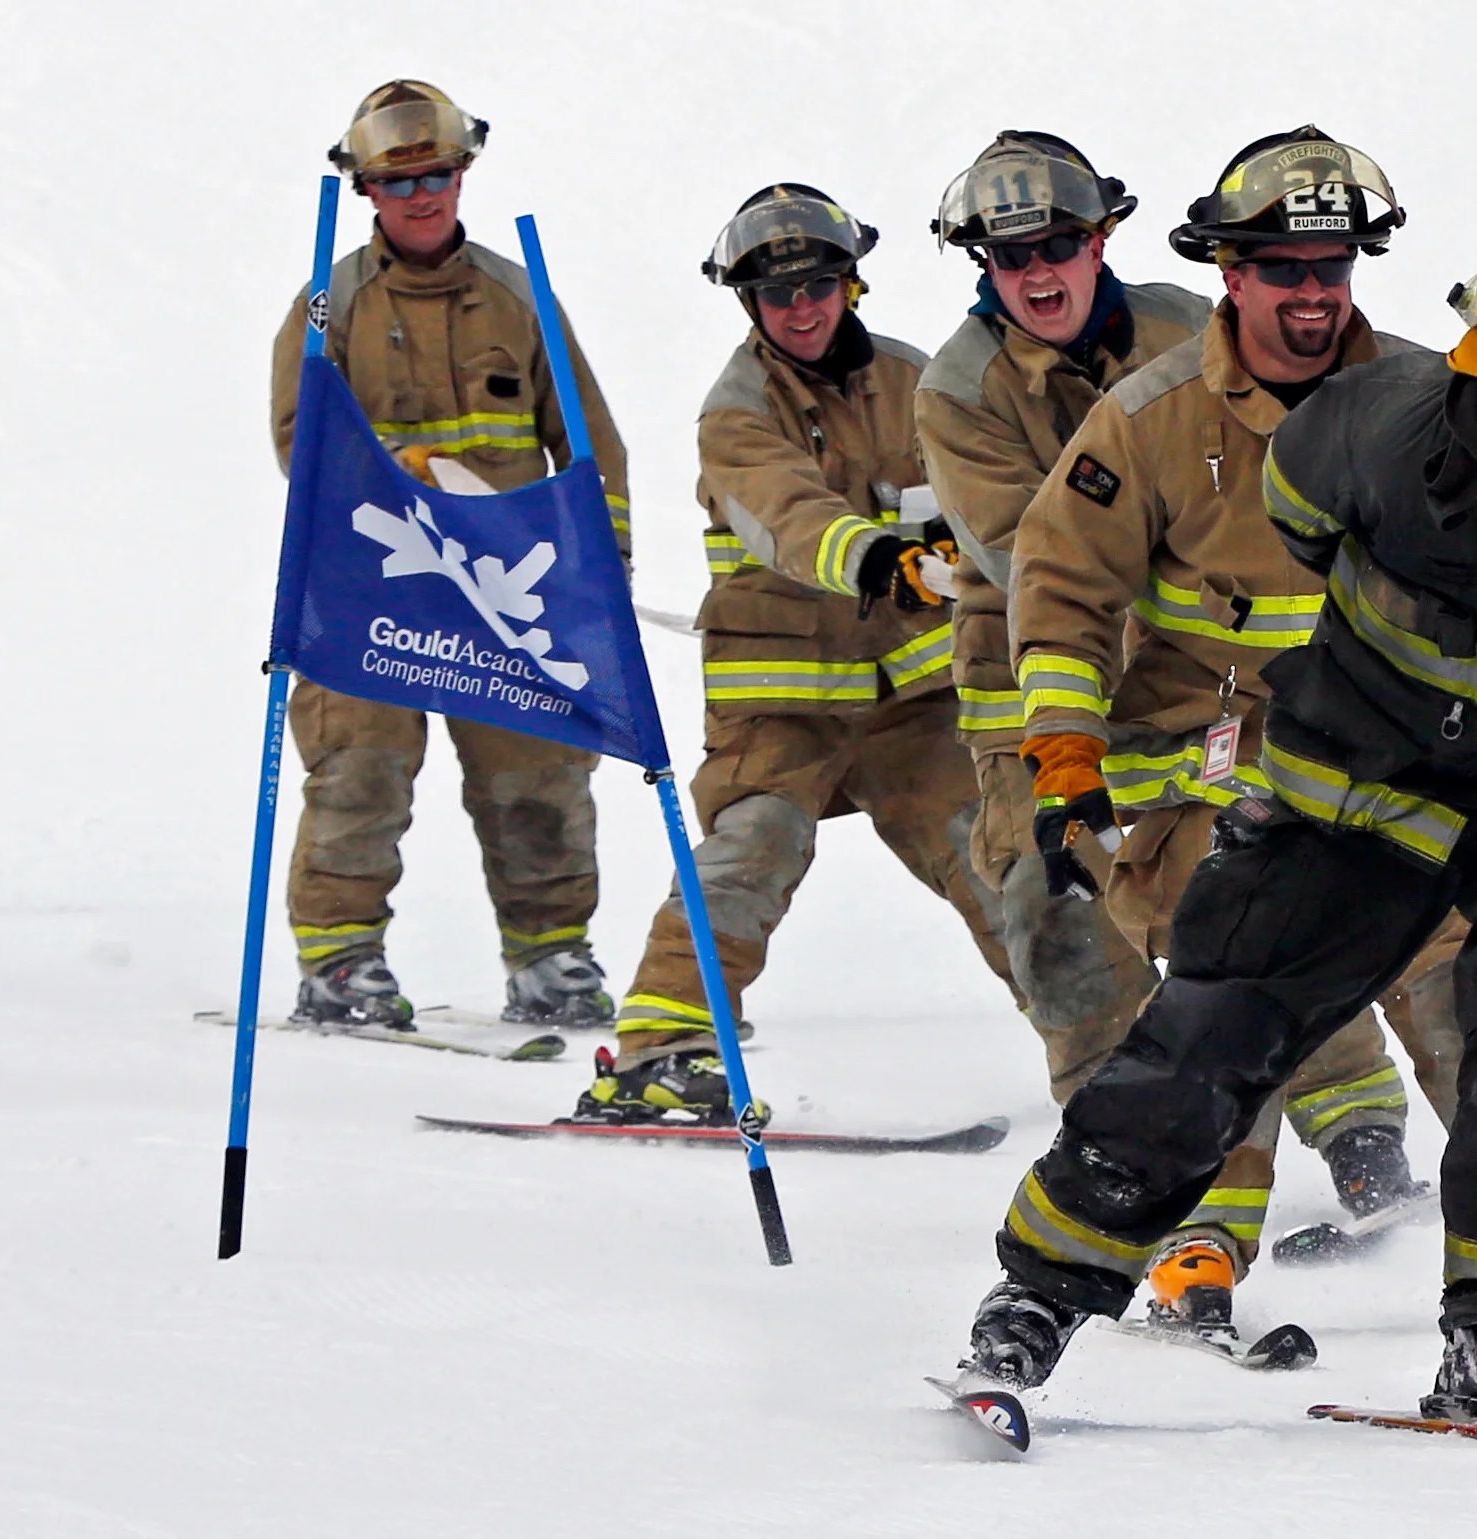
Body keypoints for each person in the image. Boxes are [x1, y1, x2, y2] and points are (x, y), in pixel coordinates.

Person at [962, 206, 1477, 1424]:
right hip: (1362, 777)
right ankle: (1038, 1295)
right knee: (1219, 1020)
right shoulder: (1365, 434)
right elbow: (1296, 517)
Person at [996, 127, 1465, 1337]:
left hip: (1386, 751)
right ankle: (1203, 1238)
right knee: (1233, 947)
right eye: (1283, 270)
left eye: (1333, 271)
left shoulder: (1426, 404)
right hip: (1203, 759)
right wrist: (1062, 752)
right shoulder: (1150, 422)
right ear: (1230, 275)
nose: (1312, 297)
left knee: (1468, 954)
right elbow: (1059, 591)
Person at [574, 184, 1021, 1122]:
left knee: (997, 858)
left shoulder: (924, 382)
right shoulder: (734, 413)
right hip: (779, 703)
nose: (802, 308)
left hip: (916, 701)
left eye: (819, 284)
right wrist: (876, 557)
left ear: (851, 281)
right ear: (748, 304)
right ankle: (660, 1052)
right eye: (779, 296)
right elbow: (785, 512)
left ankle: (1107, 1049)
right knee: (751, 848)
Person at [270, 80, 632, 1029]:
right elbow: (297, 441)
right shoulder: (328, 305)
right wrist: (386, 468)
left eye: (437, 174)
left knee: (539, 775)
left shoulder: (521, 299)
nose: (422, 196)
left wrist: (602, 571)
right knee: (360, 767)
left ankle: (551, 958)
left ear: (462, 173)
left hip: (505, 593)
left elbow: (592, 447)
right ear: (366, 193)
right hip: (370, 587)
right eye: (400, 183)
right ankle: (339, 962)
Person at [914, 131, 1208, 1104]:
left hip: (1199, 664)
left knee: (1243, 887)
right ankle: (1109, 1140)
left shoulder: (1194, 331)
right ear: (983, 266)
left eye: (1055, 245)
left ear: (1101, 240)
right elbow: (1023, 552)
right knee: (1056, 901)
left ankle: (1356, 1136)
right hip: (1031, 678)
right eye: (1009, 255)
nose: (1035, 272)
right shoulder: (959, 388)